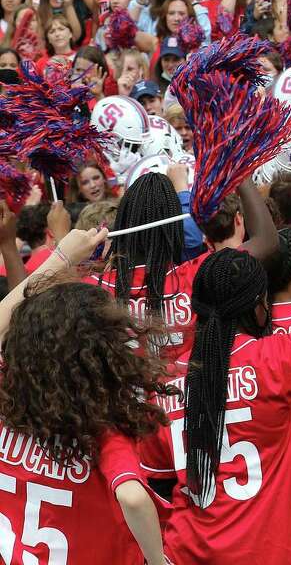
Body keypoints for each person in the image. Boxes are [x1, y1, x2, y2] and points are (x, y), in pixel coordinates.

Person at [139, 190, 291, 565]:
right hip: (270, 550)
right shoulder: (275, 360)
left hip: (188, 550)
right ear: (258, 306)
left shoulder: (165, 382)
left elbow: (154, 484)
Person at [0, 218, 170, 565]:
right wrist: (157, 560)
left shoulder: (7, 401)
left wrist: (58, 258)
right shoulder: (103, 431)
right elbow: (134, 499)